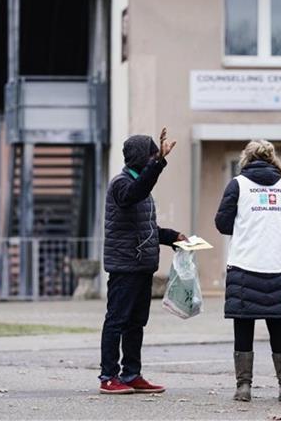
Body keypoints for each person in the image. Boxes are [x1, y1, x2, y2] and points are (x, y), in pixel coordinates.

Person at [99, 127, 187, 395]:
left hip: (142, 266)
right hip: (124, 267)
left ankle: (132, 374)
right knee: (117, 321)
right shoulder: (122, 184)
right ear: (142, 158)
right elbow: (136, 192)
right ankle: (108, 376)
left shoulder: (141, 186)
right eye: (150, 155)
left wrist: (174, 237)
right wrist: (159, 161)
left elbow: (147, 229)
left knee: (136, 323)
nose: (153, 159)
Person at [215, 140, 281, 403]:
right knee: (278, 328)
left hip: (244, 264)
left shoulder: (238, 184)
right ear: (272, 158)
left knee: (244, 325)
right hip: (276, 264)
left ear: (246, 158)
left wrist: (246, 226)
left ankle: (244, 387)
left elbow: (222, 223)